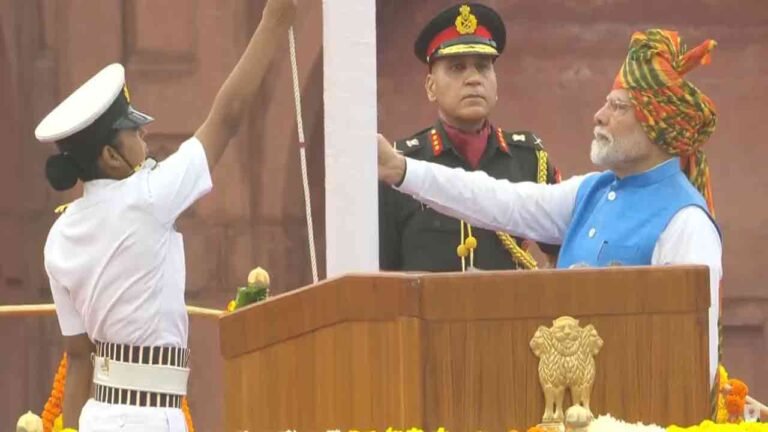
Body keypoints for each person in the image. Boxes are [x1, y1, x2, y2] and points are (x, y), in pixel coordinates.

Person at [378, 29, 722, 383]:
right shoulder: (592, 192)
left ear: (657, 126)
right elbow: (497, 199)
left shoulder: (686, 221)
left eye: (618, 106)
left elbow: (696, 360)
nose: (599, 116)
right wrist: (402, 169)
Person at [35, 0, 297, 430]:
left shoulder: (60, 234)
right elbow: (227, 116)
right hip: (152, 417)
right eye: (132, 130)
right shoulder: (148, 197)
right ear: (110, 156)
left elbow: (79, 357)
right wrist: (274, 22)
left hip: (99, 415)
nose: (144, 134)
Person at [379, 2, 561, 273]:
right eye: (457, 68)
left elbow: (564, 251)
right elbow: (381, 273)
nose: (474, 78)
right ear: (431, 87)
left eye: (483, 66)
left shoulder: (530, 161)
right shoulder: (401, 166)